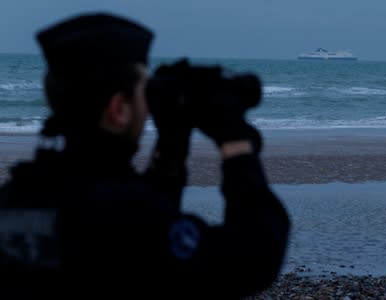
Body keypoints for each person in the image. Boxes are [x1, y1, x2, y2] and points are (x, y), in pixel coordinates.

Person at [0, 12, 290, 299]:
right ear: (119, 109)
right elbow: (254, 257)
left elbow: (146, 246)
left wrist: (171, 144)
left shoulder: (14, 199)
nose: (148, 105)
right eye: (144, 91)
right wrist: (236, 144)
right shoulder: (126, 214)